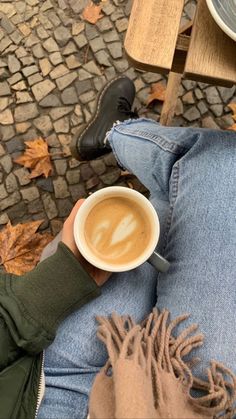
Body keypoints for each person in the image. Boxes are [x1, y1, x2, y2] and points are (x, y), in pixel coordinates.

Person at [0, 76, 235, 419]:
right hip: (182, 404)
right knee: (220, 165)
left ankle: (115, 132)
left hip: (42, 384)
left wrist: (54, 284)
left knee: (168, 212)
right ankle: (118, 131)